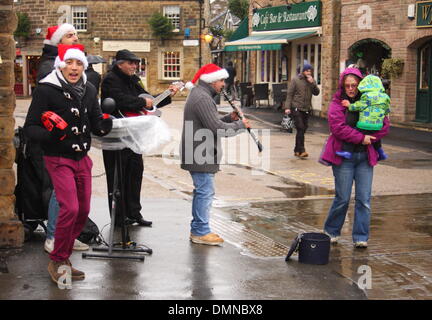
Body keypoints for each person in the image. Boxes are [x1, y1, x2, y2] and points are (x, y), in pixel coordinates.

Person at [24, 44, 113, 285]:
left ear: (84, 66)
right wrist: (51, 135)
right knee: (70, 208)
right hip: (57, 158)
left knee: (82, 212)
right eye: (69, 63)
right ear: (60, 65)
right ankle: (59, 259)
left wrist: (106, 124)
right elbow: (30, 128)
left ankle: (62, 256)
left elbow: (95, 123)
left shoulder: (89, 88)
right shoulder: (46, 90)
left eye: (79, 63)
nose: (74, 68)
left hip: (81, 158)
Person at [101, 49, 179, 227]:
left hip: (134, 135)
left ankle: (134, 213)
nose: (135, 66)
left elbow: (149, 99)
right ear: (119, 63)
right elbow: (120, 100)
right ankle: (119, 217)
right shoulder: (110, 80)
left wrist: (168, 94)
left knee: (135, 173)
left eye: (136, 63)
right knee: (117, 178)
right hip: (116, 136)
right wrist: (143, 102)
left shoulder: (134, 80)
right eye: (131, 63)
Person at [320, 67, 390, 249]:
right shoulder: (337, 103)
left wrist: (372, 137)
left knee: (364, 200)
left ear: (361, 85)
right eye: (348, 85)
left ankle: (361, 236)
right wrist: (362, 137)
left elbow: (384, 125)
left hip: (365, 157)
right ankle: (331, 231)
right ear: (343, 86)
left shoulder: (372, 100)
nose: (351, 88)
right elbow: (338, 127)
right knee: (342, 198)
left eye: (355, 85)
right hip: (344, 157)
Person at [181, 64, 250, 246]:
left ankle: (198, 228)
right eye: (221, 80)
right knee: (205, 192)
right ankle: (200, 231)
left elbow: (211, 122)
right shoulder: (203, 98)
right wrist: (241, 126)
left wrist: (229, 119)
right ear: (212, 81)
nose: (223, 84)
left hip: (199, 150)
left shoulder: (201, 95)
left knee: (202, 191)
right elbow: (218, 129)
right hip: (200, 152)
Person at [35, 24, 89, 253]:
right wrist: (53, 133)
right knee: (64, 199)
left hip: (77, 152)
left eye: (79, 63)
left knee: (76, 204)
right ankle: (55, 237)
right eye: (70, 34)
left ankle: (63, 238)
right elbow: (39, 117)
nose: (75, 37)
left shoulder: (85, 82)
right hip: (57, 150)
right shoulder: (49, 72)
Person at [337, 74, 390, 160]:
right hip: (378, 124)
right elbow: (387, 108)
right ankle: (381, 153)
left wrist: (350, 105)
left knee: (354, 133)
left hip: (364, 123)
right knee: (375, 138)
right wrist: (384, 114)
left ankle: (347, 152)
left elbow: (360, 105)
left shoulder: (367, 96)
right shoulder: (385, 97)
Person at [283, 63, 320, 158]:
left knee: (303, 129)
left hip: (306, 108)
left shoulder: (311, 81)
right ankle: (302, 150)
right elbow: (290, 94)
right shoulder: (296, 80)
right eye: (307, 70)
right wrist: (287, 107)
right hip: (296, 107)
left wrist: (313, 83)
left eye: (310, 71)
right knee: (300, 127)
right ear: (303, 71)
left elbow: (316, 93)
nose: (309, 72)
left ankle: (296, 149)